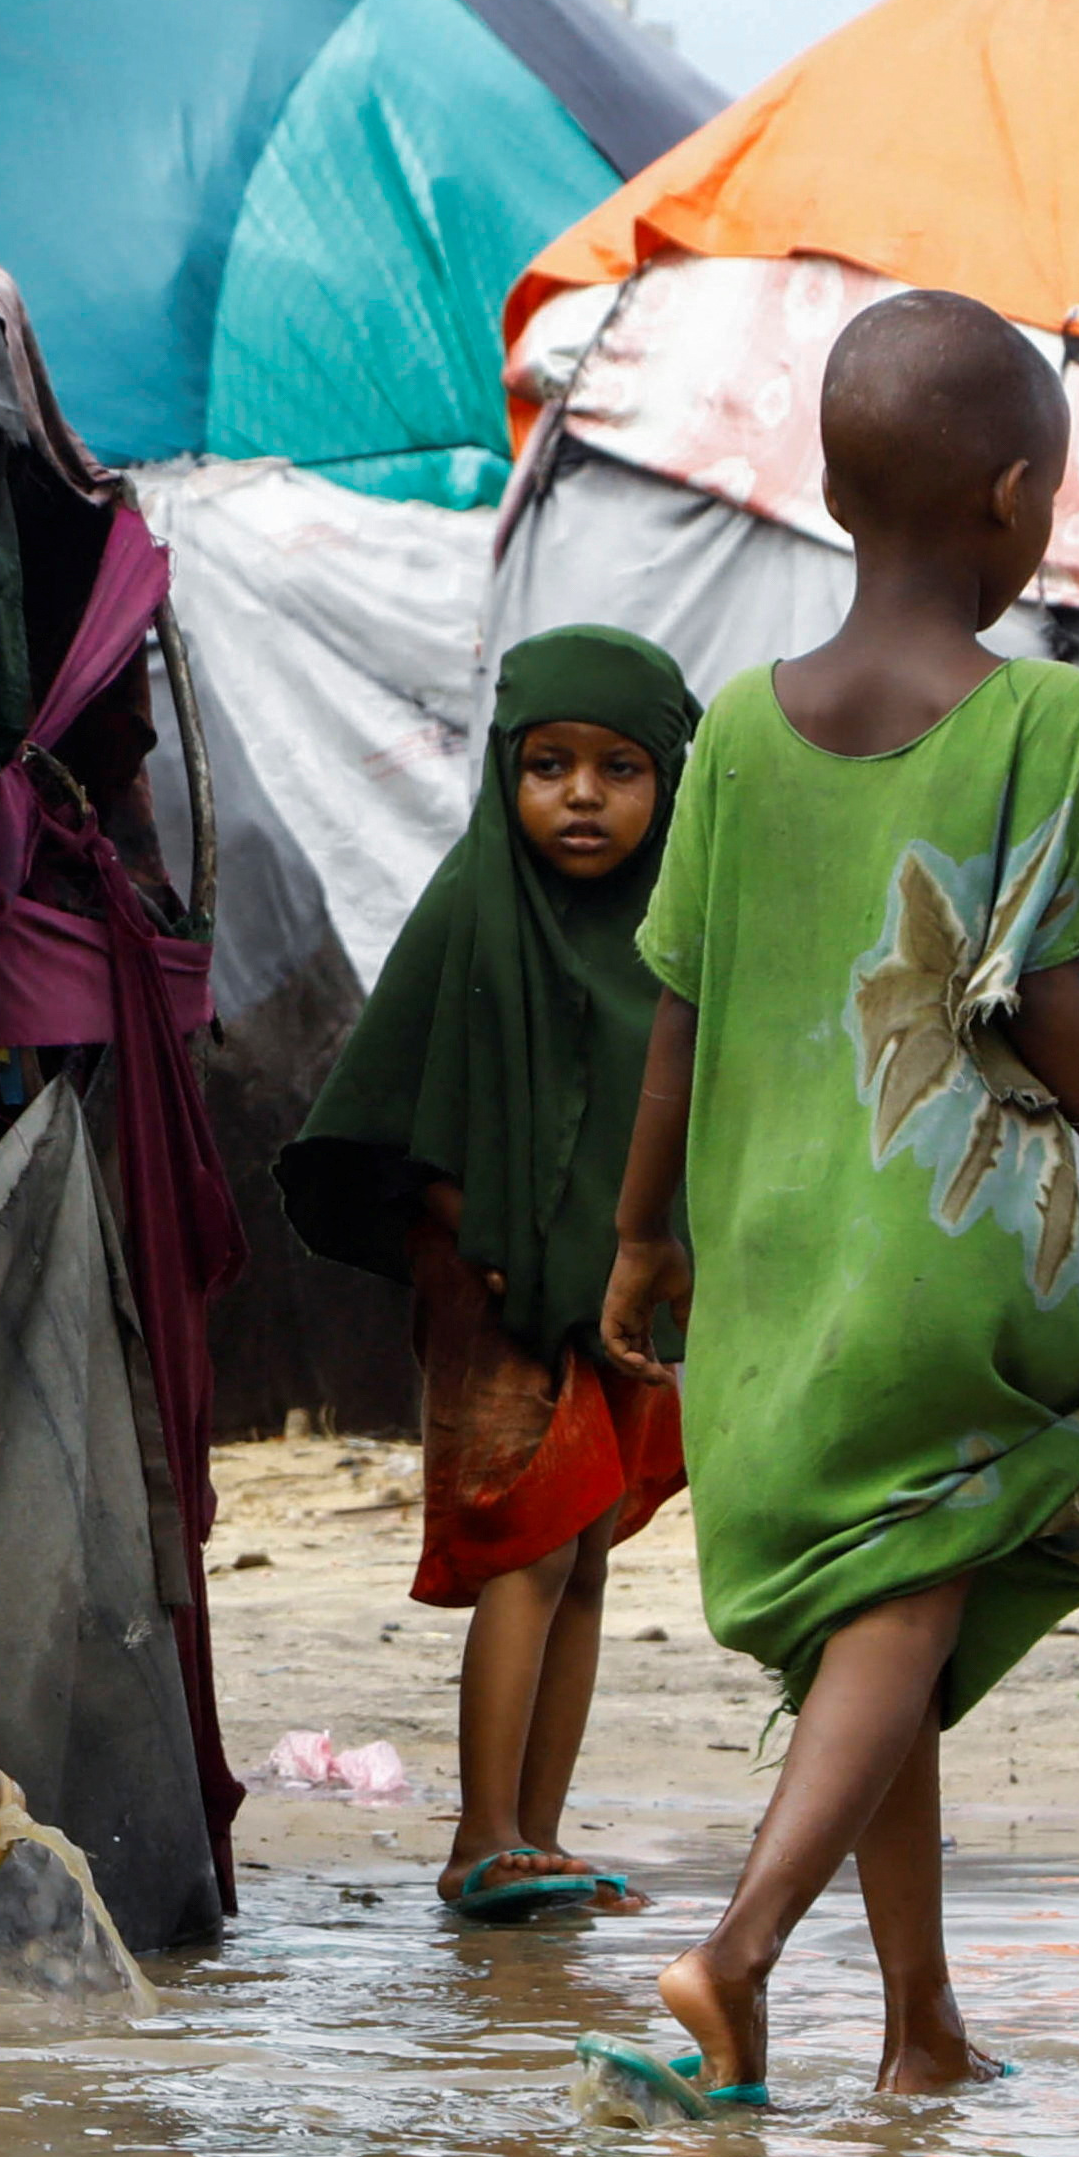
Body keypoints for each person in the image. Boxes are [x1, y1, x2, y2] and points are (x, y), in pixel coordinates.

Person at [589, 287, 1079, 2111]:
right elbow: (1044, 994)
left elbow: (680, 1009)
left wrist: (643, 1235)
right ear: (1013, 497)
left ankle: (920, 2030)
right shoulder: (1040, 719)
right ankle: (737, 1960)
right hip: (946, 1262)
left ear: (830, 493)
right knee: (904, 1595)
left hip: (769, 1261)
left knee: (880, 1605)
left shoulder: (729, 733)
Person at [277, 628, 698, 1925]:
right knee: (523, 1551)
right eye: (550, 764)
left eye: (620, 768)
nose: (582, 795)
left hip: (614, 1303)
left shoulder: (674, 940)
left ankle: (541, 1831)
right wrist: (490, 1229)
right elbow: (394, 1109)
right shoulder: (473, 909)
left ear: (669, 784)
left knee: (583, 1561)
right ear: (505, 774)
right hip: (498, 1292)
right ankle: (478, 1834)